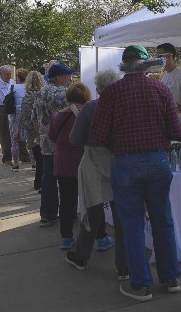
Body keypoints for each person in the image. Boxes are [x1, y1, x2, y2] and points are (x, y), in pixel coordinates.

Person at [90, 45, 181, 302]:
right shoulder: (161, 89)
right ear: (145, 65)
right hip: (157, 161)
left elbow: (97, 135)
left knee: (131, 224)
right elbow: (178, 131)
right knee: (162, 220)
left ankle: (141, 284)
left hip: (126, 162)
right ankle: (171, 277)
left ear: (124, 64)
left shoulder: (112, 93)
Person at [66, 69, 124, 277]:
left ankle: (81, 256)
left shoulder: (91, 108)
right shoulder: (124, 106)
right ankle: (123, 266)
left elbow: (74, 139)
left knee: (92, 212)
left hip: (93, 161)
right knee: (121, 215)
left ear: (98, 88)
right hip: (119, 162)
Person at [48, 82, 90, 249]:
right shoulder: (86, 115)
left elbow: (52, 136)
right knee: (91, 202)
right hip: (82, 160)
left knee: (65, 202)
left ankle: (66, 238)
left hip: (62, 162)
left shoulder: (58, 116)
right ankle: (99, 237)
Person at [35, 63, 73, 226]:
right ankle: (69, 213)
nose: (70, 78)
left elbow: (34, 118)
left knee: (48, 176)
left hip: (45, 140)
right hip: (64, 142)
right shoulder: (65, 94)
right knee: (68, 179)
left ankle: (47, 214)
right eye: (67, 75)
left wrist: (41, 134)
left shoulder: (40, 92)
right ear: (59, 77)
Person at [157, 43, 181, 127]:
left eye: (160, 56)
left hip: (177, 127)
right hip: (164, 126)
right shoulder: (164, 75)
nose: (157, 59)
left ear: (169, 56)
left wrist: (176, 124)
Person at [19, 70, 45, 191]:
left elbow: (23, 115)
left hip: (32, 132)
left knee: (38, 158)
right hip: (44, 130)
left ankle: (38, 182)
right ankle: (41, 182)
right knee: (44, 159)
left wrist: (19, 129)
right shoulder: (44, 94)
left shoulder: (28, 96)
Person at [9, 68, 29, 170]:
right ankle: (34, 162)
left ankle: (16, 164)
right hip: (27, 116)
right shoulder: (29, 88)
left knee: (14, 141)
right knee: (30, 141)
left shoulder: (13, 87)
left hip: (15, 117)